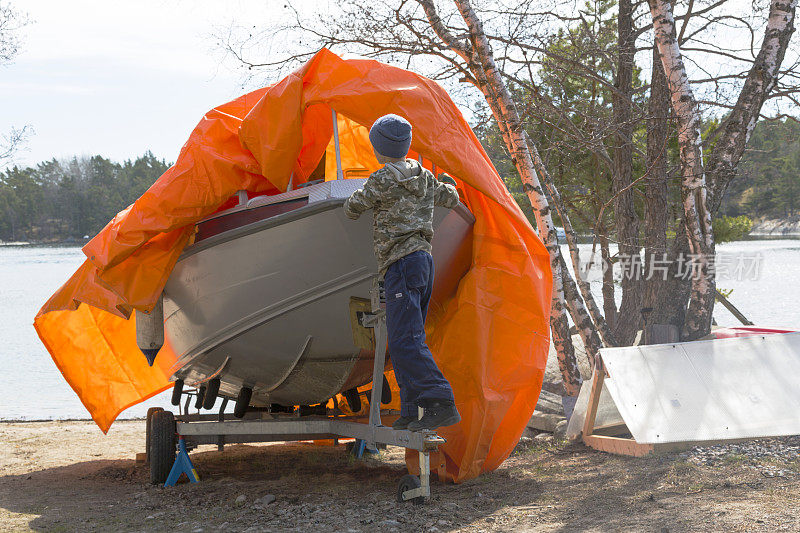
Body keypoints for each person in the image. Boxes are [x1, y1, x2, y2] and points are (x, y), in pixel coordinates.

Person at [343, 114, 461, 432]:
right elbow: (452, 197)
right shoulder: (423, 176)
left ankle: (441, 401)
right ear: (406, 146)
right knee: (409, 338)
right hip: (423, 262)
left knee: (403, 341)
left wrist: (352, 199)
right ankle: (410, 410)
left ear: (379, 150)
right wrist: (447, 185)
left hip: (399, 264)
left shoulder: (381, 179)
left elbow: (353, 208)